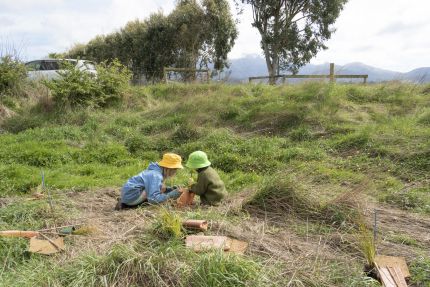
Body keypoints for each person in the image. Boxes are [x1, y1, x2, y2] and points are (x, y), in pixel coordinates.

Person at [116, 153, 183, 210]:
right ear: (169, 168)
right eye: (175, 169)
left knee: (162, 187)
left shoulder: (154, 171)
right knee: (157, 195)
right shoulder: (156, 175)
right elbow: (153, 199)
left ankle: (126, 202)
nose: (175, 172)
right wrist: (172, 194)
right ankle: (129, 204)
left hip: (128, 194)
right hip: (131, 197)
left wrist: (170, 189)